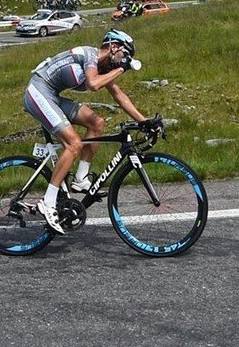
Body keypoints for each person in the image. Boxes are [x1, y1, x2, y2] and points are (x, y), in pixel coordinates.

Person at [24, 29, 147, 233]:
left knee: (97, 123)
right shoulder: (90, 56)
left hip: (52, 95)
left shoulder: (103, 67)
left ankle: (81, 179)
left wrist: (144, 122)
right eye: (125, 54)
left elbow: (119, 95)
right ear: (113, 47)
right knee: (74, 144)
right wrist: (121, 69)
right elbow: (93, 84)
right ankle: (48, 202)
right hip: (38, 91)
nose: (126, 60)